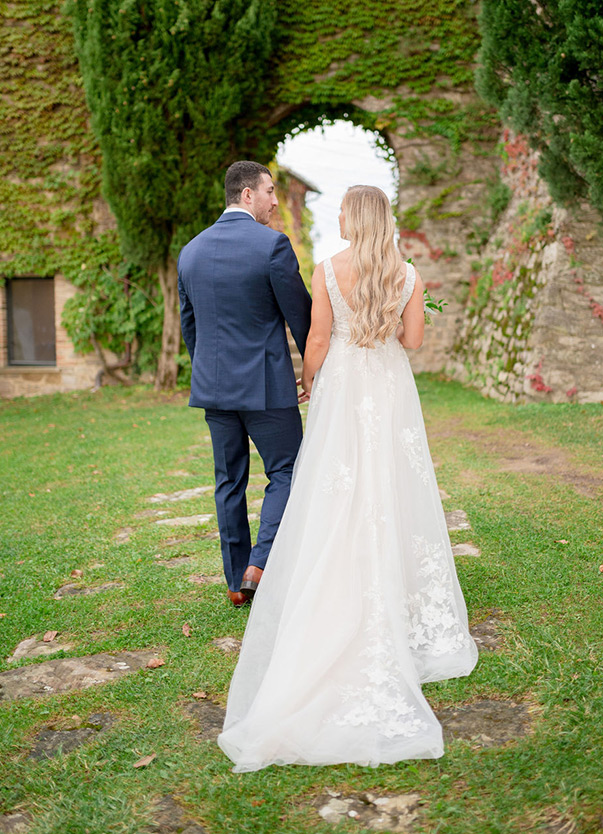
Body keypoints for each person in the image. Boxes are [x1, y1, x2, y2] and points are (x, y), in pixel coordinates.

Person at [218, 185, 478, 772]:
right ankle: (405, 597)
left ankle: (337, 578)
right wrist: (402, 311)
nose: (334, 217)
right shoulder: (406, 272)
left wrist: (311, 384)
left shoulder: (329, 268)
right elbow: (411, 341)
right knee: (394, 484)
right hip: (387, 385)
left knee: (336, 488)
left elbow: (314, 338)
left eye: (340, 211)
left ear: (354, 219)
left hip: (342, 387)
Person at [177, 160, 312, 607]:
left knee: (228, 481)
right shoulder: (272, 246)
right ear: (247, 194)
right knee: (289, 471)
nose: (276, 201)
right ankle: (261, 562)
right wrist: (316, 370)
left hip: (214, 390)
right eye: (270, 191)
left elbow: (190, 328)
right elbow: (302, 318)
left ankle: (237, 580)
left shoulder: (190, 252)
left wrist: (210, 374)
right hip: (266, 388)